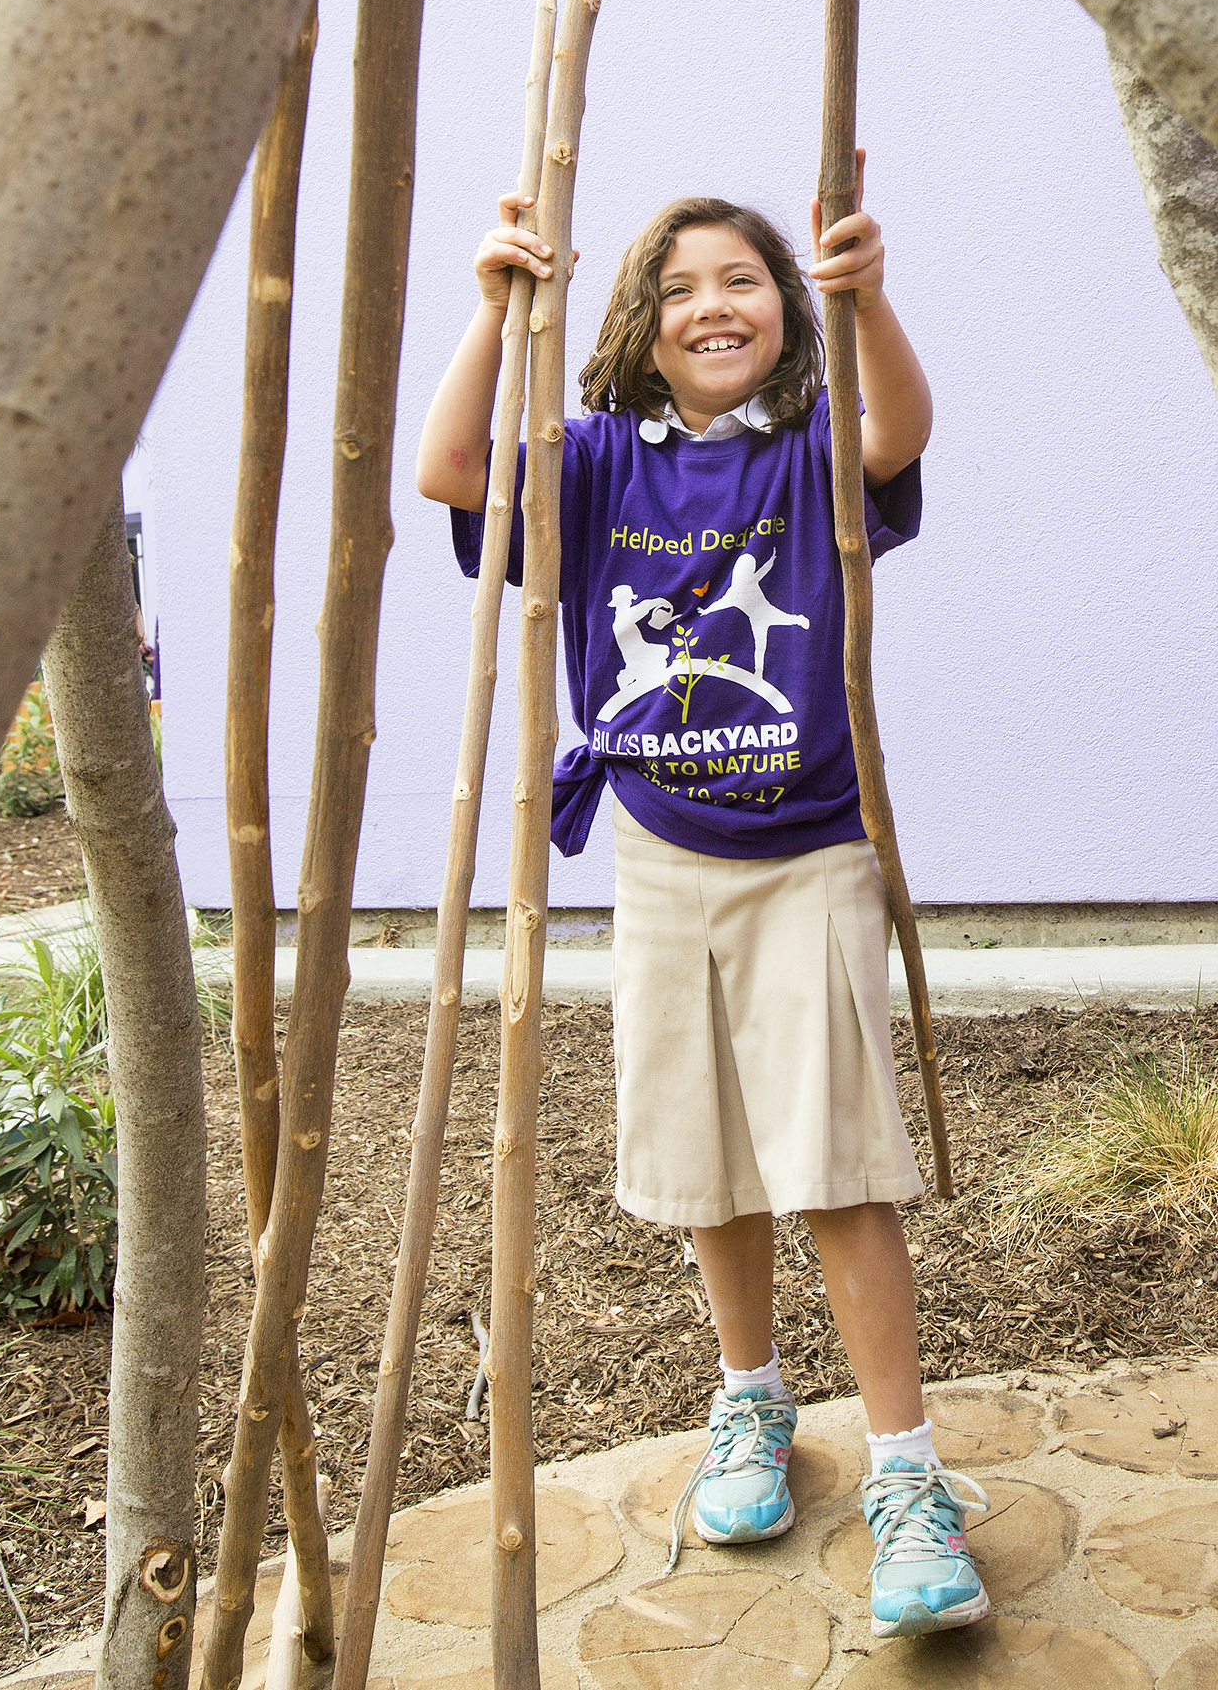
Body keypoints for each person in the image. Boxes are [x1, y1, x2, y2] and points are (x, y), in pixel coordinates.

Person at [416, 160, 989, 1639]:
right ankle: (751, 1403)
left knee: (838, 1164)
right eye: (678, 288)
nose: (711, 305)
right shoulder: (599, 455)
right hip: (662, 854)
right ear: (638, 322)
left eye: (741, 279)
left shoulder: (810, 450)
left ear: (783, 313)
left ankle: (910, 1475)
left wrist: (870, 297)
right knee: (705, 1154)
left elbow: (898, 432)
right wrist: (494, 313)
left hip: (811, 846)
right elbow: (451, 473)